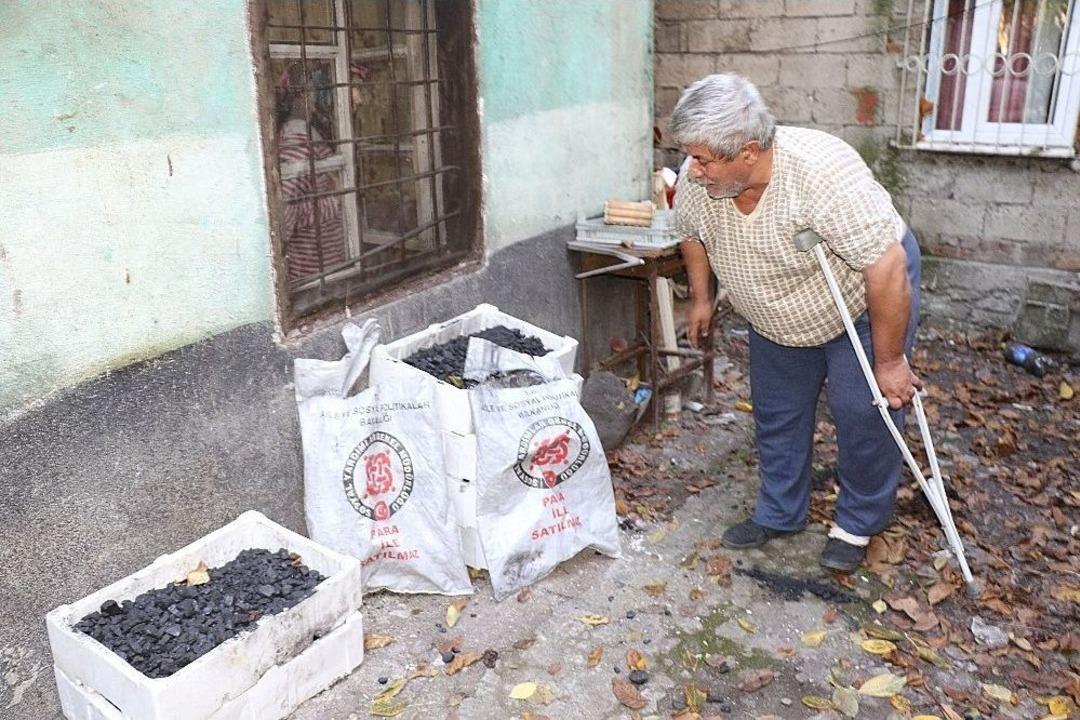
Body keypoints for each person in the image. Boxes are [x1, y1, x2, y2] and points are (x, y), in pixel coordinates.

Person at [669, 73, 922, 572]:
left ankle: (858, 523)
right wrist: (701, 298)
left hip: (859, 299)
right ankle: (781, 512)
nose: (692, 170)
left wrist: (891, 361)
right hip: (777, 311)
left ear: (748, 152)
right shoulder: (702, 176)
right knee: (777, 410)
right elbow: (691, 234)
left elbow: (886, 267)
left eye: (702, 160)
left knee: (863, 410)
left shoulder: (822, 174)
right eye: (691, 157)